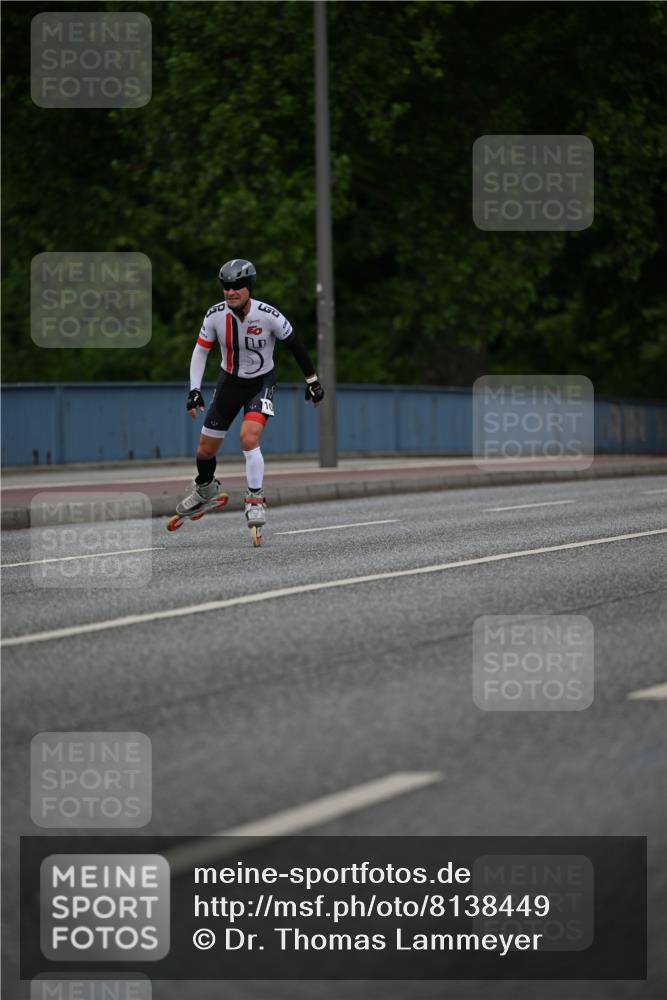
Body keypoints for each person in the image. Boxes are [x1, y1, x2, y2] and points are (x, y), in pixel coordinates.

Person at [177, 258, 324, 531]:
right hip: (229, 383)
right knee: (205, 450)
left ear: (249, 287)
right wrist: (194, 389)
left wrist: (313, 382)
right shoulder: (214, 316)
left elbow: (296, 346)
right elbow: (200, 351)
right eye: (226, 287)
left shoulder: (269, 315)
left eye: (237, 287)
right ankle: (205, 489)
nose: (231, 292)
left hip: (261, 383)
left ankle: (255, 498)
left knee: (248, 437)